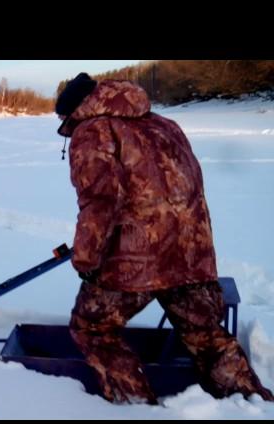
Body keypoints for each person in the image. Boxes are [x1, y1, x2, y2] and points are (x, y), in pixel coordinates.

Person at [56, 72, 274, 404]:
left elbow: (100, 202)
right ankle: (252, 403)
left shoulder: (92, 132)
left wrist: (87, 259)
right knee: (206, 336)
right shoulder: (163, 124)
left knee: (92, 327)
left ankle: (138, 407)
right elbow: (192, 187)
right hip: (190, 256)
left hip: (136, 261)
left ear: (74, 110)